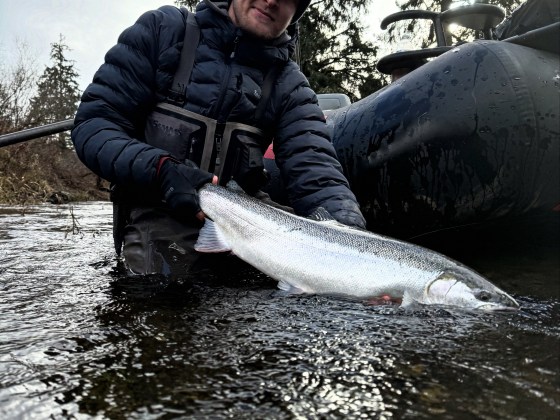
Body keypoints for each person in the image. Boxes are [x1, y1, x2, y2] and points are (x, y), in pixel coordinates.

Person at [72, 0, 366, 279]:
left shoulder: (290, 86)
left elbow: (319, 176)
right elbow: (95, 126)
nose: (272, 1)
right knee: (157, 300)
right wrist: (162, 170)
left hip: (248, 222)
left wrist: (355, 251)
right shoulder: (163, 31)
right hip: (159, 208)